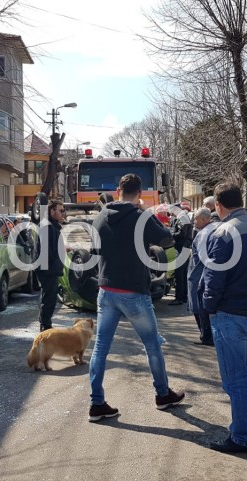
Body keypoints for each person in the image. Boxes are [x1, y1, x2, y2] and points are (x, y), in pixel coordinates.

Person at [88, 173, 184, 422]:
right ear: (139, 193)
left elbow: (93, 252)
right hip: (134, 292)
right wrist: (146, 212)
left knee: (100, 349)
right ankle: (163, 395)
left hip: (106, 291)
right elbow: (166, 239)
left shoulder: (100, 216)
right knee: (152, 345)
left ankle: (96, 403)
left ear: (117, 189)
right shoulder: (140, 217)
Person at [201, 182, 247, 453]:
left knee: (236, 378)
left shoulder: (222, 232)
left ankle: (242, 435)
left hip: (230, 313)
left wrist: (208, 306)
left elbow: (213, 276)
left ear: (219, 206)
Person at [187, 207, 217, 346]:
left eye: (196, 219)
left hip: (199, 275)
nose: (194, 221)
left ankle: (206, 336)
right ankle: (206, 335)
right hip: (201, 274)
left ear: (205, 219)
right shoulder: (210, 231)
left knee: (199, 306)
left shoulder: (204, 234)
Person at [36, 200, 66, 332]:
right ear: (52, 211)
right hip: (48, 270)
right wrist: (52, 267)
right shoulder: (48, 227)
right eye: (61, 210)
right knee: (49, 299)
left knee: (48, 297)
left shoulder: (51, 226)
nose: (63, 213)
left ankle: (45, 324)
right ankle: (46, 327)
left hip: (49, 269)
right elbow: (46, 251)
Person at [168, 203, 193, 306]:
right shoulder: (182, 216)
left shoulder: (182, 217)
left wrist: (170, 234)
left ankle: (179, 298)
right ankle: (184, 297)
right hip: (184, 247)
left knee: (179, 273)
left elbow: (181, 234)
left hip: (182, 247)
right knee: (182, 274)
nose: (170, 213)